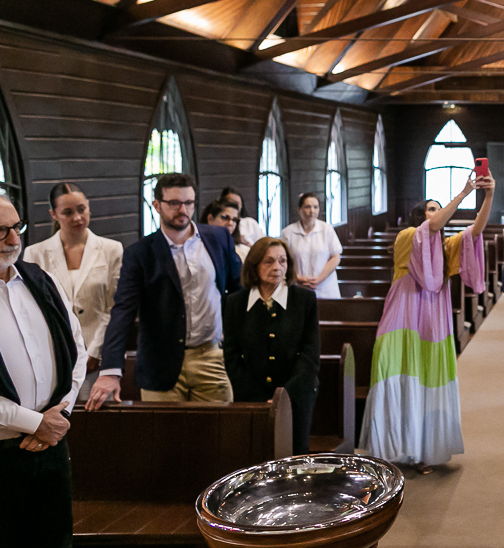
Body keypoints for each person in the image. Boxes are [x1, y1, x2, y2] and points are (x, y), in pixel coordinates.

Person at [0, 191, 87, 548]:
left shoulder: (38, 279)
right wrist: (36, 423)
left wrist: (57, 416)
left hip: (49, 454)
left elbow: (76, 351)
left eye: (17, 227)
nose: (15, 240)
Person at [360, 173, 496, 471]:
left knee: (426, 380)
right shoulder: (409, 236)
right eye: (431, 208)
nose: (436, 213)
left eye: (438, 208)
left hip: (432, 319)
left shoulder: (444, 246)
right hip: (403, 315)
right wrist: (462, 193)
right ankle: (393, 449)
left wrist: (487, 196)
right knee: (397, 375)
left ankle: (423, 451)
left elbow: (475, 231)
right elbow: (431, 227)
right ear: (419, 216)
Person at [87, 174, 242, 408]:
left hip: (210, 355)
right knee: (164, 439)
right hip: (160, 361)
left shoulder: (218, 238)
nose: (183, 209)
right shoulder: (139, 253)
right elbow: (122, 312)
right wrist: (110, 370)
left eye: (189, 203)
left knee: (217, 437)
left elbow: (238, 293)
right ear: (157, 205)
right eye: (174, 203)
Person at [24, 183, 124, 398]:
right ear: (54, 214)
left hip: (97, 353)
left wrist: (95, 351)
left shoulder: (111, 249)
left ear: (88, 207)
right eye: (68, 212)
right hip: (54, 354)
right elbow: (34, 309)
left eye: (81, 209)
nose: (78, 217)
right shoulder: (35, 254)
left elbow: (113, 307)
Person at [223, 237, 320, 454]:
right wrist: (259, 398)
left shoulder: (304, 300)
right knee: (256, 455)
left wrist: (284, 396)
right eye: (268, 261)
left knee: (294, 457)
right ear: (254, 266)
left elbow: (309, 354)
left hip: (296, 394)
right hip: (251, 397)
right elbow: (231, 355)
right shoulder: (236, 303)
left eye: (282, 261)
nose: (277, 267)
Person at [281, 193, 343, 299]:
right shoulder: (288, 232)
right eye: (307, 207)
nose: (312, 211)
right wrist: (297, 278)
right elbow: (282, 259)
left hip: (325, 287)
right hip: (299, 286)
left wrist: (320, 278)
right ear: (299, 210)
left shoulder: (327, 229)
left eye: (315, 207)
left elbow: (336, 256)